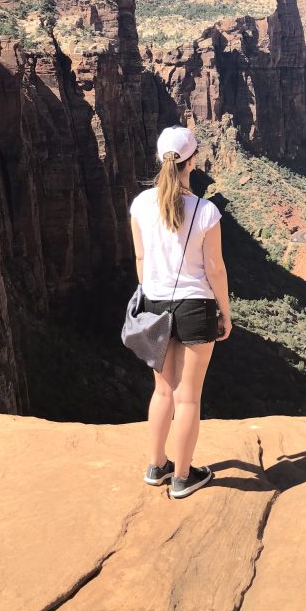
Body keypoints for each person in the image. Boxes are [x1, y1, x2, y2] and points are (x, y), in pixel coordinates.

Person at [130, 125, 232, 499]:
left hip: (155, 305)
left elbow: (141, 258)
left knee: (162, 392)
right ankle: (183, 477)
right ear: (192, 161)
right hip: (196, 307)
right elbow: (215, 269)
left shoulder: (140, 204)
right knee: (187, 397)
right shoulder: (206, 211)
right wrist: (225, 312)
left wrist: (150, 291)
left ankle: (156, 466)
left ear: (160, 159)